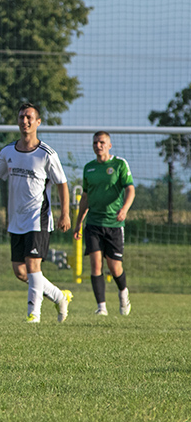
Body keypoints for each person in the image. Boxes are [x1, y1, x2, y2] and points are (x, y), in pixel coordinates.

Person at [0, 103, 73, 324]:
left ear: (38, 122)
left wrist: (65, 214)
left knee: (32, 266)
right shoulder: (8, 151)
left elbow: (62, 184)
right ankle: (59, 296)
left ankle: (33, 316)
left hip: (38, 218)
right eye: (21, 117)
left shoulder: (47, 154)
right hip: (16, 220)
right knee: (20, 272)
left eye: (29, 117)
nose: (25, 121)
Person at [73, 131, 135, 316]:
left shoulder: (119, 164)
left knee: (114, 267)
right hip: (93, 223)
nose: (98, 145)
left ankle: (123, 293)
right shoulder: (89, 168)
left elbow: (130, 189)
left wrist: (124, 209)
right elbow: (85, 197)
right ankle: (101, 307)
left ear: (109, 145)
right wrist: (78, 223)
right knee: (95, 264)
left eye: (101, 142)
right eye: (95, 143)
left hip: (114, 224)